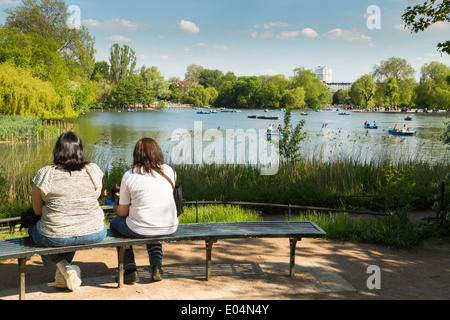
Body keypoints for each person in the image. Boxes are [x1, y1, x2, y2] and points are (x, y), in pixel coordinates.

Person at [29, 132, 107, 291]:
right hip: (95, 232)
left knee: (39, 230)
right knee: (66, 233)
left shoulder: (45, 174)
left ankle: (65, 268)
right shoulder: (93, 170)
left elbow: (37, 211)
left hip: (55, 236)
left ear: (57, 150)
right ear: (80, 150)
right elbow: (98, 192)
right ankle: (61, 275)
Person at [110, 138, 178, 284]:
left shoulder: (130, 175)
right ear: (157, 152)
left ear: (136, 154)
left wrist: (115, 207)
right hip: (169, 224)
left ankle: (129, 270)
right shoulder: (169, 170)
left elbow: (122, 213)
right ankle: (156, 267)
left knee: (116, 223)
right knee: (152, 224)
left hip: (143, 227)